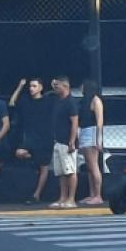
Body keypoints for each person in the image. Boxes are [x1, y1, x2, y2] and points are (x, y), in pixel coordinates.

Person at [10, 77, 54, 204]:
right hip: (31, 138)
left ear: (40, 87)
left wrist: (53, 86)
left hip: (45, 138)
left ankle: (36, 195)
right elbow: (12, 103)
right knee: (19, 153)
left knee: (44, 167)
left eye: (34, 86)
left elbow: (60, 96)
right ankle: (33, 159)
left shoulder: (48, 101)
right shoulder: (25, 101)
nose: (31, 88)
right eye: (30, 86)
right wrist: (20, 86)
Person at [47, 75, 80, 209]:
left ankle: (71, 199)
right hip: (58, 141)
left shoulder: (70, 102)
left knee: (70, 171)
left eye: (57, 86)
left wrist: (71, 141)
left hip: (67, 142)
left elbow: (74, 122)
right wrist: (53, 83)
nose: (55, 88)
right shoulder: (58, 100)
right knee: (61, 172)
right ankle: (62, 197)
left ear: (65, 86)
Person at [77, 78, 105, 206]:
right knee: (89, 166)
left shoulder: (96, 100)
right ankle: (92, 193)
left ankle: (98, 195)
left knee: (94, 165)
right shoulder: (84, 102)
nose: (80, 88)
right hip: (84, 130)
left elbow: (99, 122)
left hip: (92, 132)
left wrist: (98, 140)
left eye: (82, 86)